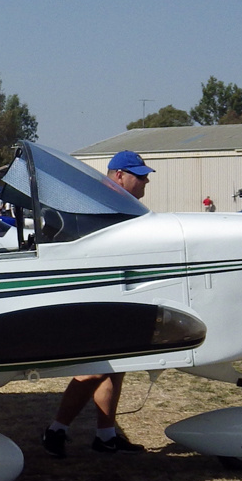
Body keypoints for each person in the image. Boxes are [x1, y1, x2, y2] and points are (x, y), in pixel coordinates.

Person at [42, 150, 153, 457]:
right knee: (94, 368)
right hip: (91, 294)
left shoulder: (125, 205)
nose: (145, 180)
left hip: (116, 294)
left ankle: (105, 435)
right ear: (118, 175)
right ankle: (55, 431)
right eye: (139, 175)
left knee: (116, 368)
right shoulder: (97, 203)